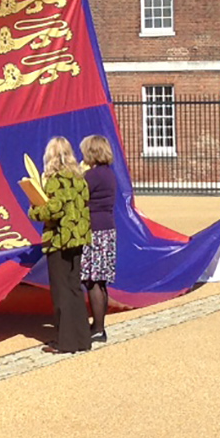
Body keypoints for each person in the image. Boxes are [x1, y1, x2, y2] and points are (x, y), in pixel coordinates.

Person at [28, 136, 92, 353]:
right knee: (74, 287)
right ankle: (82, 338)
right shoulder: (80, 178)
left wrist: (35, 210)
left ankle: (66, 341)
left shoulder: (55, 179)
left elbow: (53, 210)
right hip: (78, 236)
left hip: (59, 238)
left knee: (61, 290)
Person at [79, 134, 118, 344]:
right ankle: (99, 325)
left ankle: (98, 327)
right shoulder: (109, 174)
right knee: (101, 281)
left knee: (92, 280)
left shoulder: (91, 177)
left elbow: (79, 198)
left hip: (94, 230)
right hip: (108, 229)